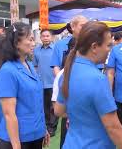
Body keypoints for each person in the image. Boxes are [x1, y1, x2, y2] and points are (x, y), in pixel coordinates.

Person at [54, 21, 122, 149]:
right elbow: (114, 127)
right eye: (108, 45)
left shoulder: (67, 72)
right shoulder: (98, 79)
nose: (110, 50)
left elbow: (59, 110)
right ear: (94, 47)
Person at [0, 22, 49, 149]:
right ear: (16, 43)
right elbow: (9, 114)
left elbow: (36, 102)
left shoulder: (29, 65)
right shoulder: (8, 71)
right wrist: (16, 145)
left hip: (35, 134)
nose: (34, 43)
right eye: (30, 39)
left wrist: (43, 129)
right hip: (18, 139)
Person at [50, 15, 88, 148]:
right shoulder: (60, 44)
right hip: (66, 90)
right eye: (82, 25)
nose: (85, 28)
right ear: (72, 27)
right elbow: (55, 66)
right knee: (67, 135)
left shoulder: (92, 44)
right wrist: (62, 83)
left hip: (85, 93)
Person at [33, 29, 58, 137]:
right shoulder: (36, 50)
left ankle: (52, 127)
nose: (45, 38)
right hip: (41, 83)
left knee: (53, 107)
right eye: (43, 36)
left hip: (53, 83)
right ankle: (46, 125)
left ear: (52, 37)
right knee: (44, 107)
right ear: (40, 38)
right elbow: (35, 66)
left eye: (47, 36)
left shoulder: (56, 49)